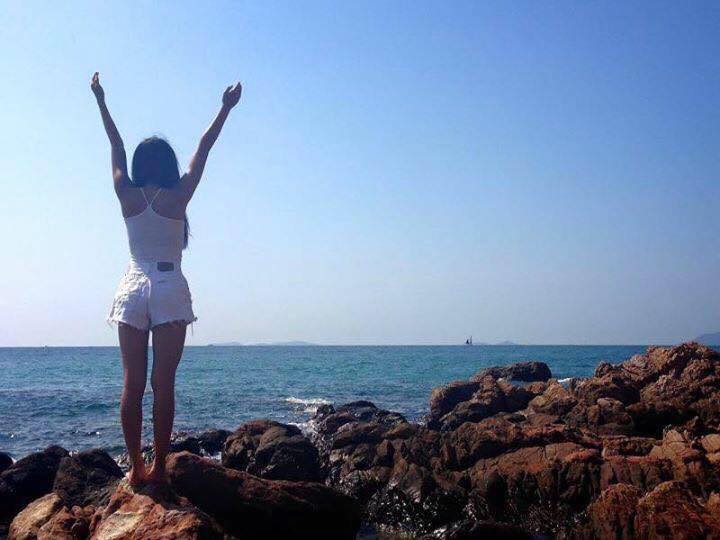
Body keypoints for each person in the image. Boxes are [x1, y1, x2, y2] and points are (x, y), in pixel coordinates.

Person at [91, 72, 242, 486]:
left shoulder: (126, 193)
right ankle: (158, 467)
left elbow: (116, 145)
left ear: (140, 166)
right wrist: (225, 108)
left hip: (132, 285)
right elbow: (204, 148)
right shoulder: (179, 196)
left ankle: (135, 469)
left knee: (132, 385)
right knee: (163, 385)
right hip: (169, 285)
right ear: (168, 165)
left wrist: (101, 100)